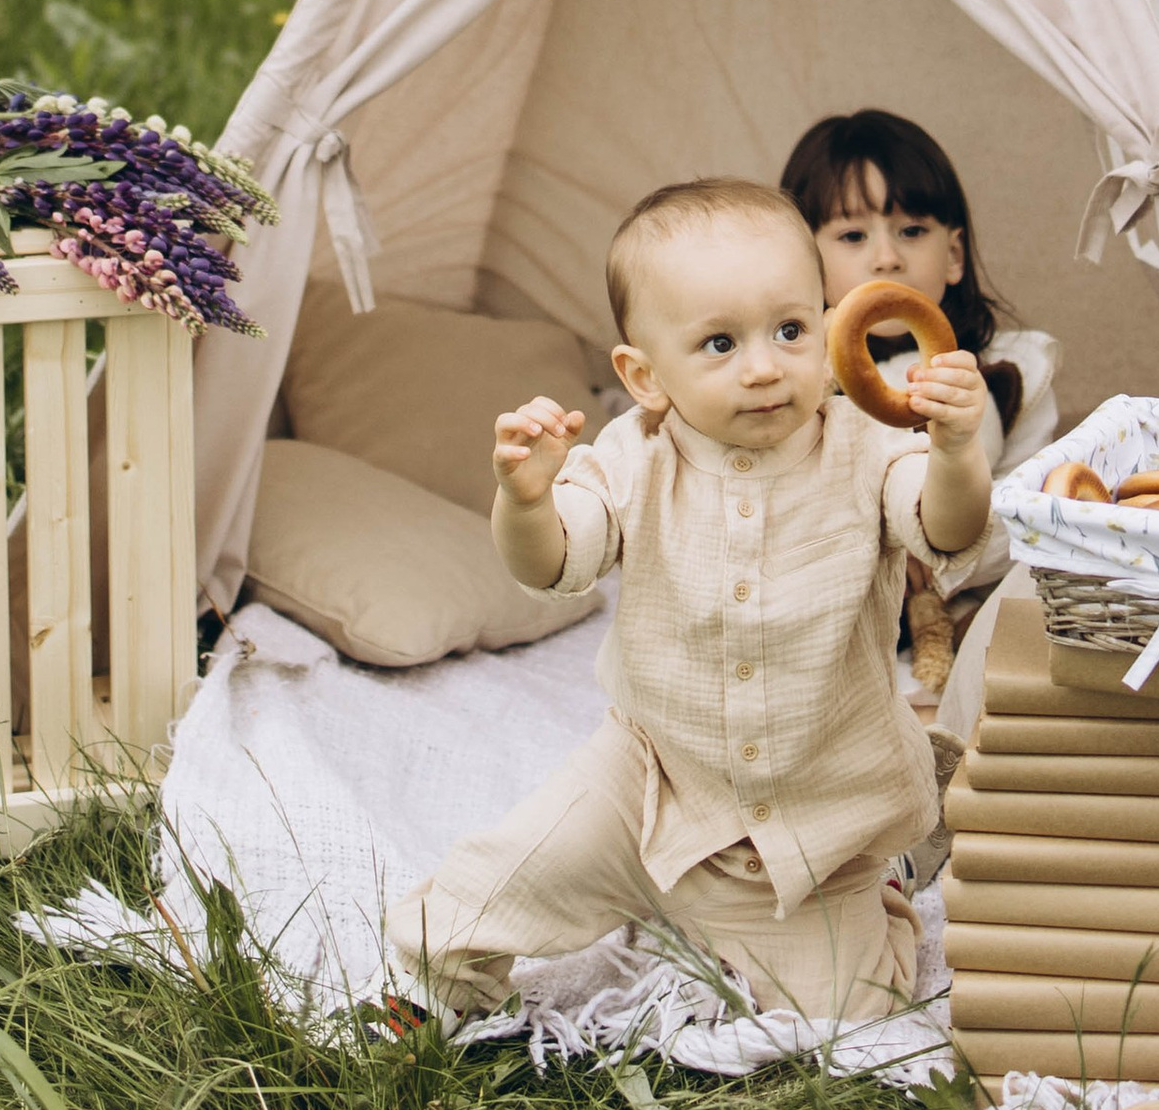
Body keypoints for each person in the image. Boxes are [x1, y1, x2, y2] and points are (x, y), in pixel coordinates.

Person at [386, 176, 995, 1024]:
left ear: (829, 330)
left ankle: (887, 874)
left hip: (819, 809)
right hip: (649, 781)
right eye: (719, 343)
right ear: (644, 375)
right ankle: (436, 1000)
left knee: (850, 1015)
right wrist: (525, 503)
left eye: (790, 331)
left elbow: (947, 529)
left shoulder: (869, 447)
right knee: (481, 892)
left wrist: (956, 452)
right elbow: (559, 561)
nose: (764, 366)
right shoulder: (633, 456)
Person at [780, 109, 1056, 696]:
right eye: (853, 236)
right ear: (805, 261)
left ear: (953, 255)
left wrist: (926, 546)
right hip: (825, 598)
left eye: (911, 231)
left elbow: (1027, 514)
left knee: (1014, 627)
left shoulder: (1005, 372)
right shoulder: (787, 378)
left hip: (960, 586)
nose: (887, 258)